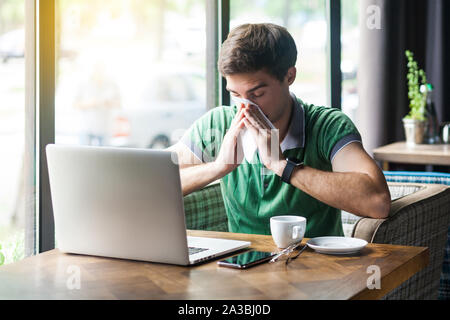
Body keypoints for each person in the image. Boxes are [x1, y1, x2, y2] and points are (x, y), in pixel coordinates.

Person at [169, 23, 390, 237]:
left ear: (289, 76)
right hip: (239, 272)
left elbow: (378, 202)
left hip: (317, 269)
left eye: (257, 94)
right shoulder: (218, 123)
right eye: (235, 94)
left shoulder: (327, 126)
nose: (245, 107)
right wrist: (218, 167)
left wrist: (282, 166)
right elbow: (156, 183)